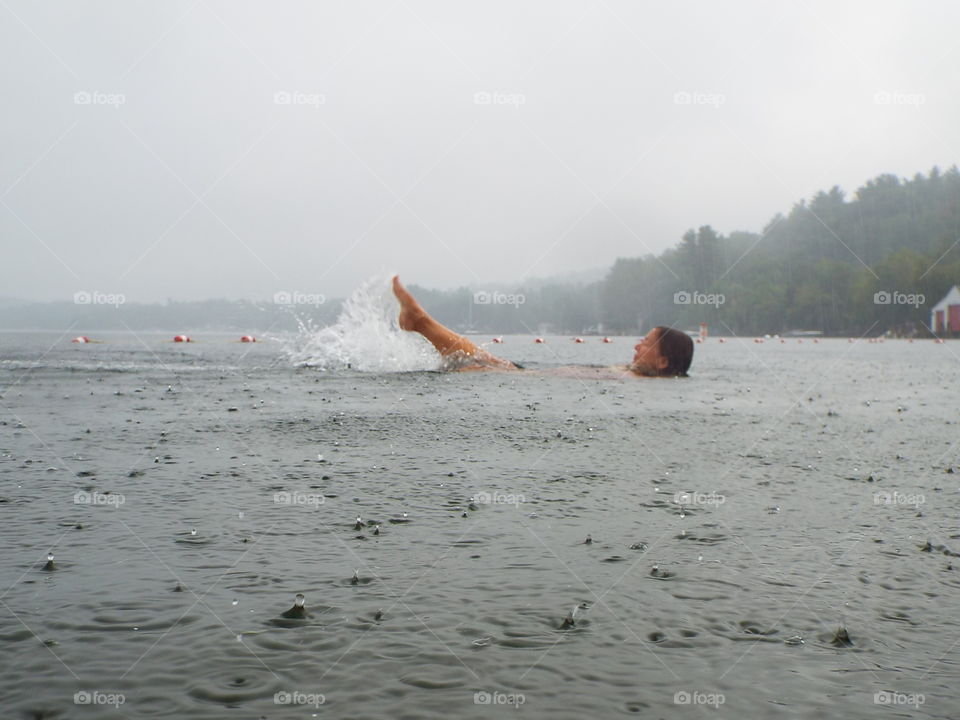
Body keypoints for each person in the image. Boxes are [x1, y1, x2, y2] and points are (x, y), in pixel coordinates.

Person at [392, 276, 693, 377]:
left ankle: (420, 322)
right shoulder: (635, 375)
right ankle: (420, 322)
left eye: (646, 343)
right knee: (480, 360)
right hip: (537, 376)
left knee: (480, 364)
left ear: (662, 361)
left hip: (535, 379)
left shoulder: (640, 383)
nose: (637, 346)